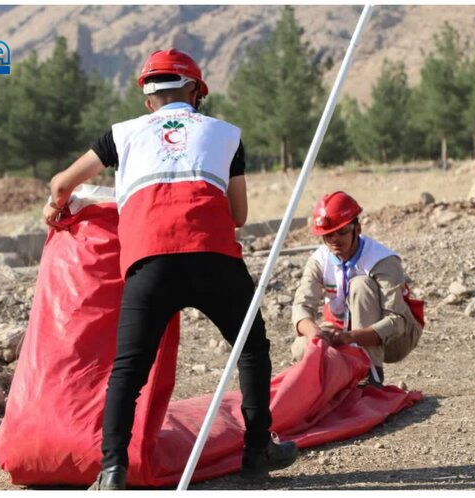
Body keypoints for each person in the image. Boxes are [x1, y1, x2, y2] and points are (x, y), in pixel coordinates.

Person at [42, 49, 298, 490]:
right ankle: (258, 453)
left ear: (148, 102)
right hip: (213, 257)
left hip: (150, 264)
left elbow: (63, 184)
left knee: (127, 370)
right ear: (197, 92)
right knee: (251, 349)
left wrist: (55, 206)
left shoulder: (121, 135)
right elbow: (237, 215)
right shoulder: (226, 134)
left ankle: (112, 469)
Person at [290, 191, 423, 386]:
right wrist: (314, 333)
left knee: (361, 285)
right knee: (302, 347)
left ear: (357, 229)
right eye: (328, 235)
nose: (335, 239)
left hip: (395, 339)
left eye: (342, 231)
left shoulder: (382, 260)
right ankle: (337, 381)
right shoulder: (319, 260)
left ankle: (372, 374)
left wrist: (350, 337)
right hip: (341, 330)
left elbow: (397, 322)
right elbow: (301, 305)